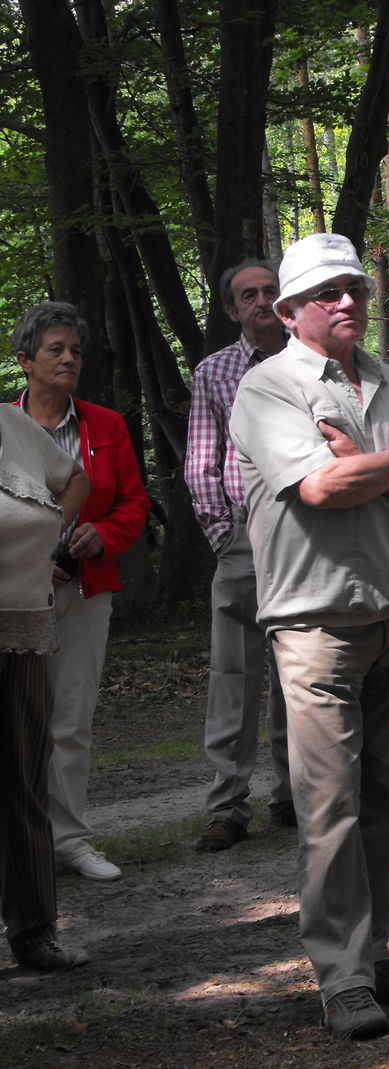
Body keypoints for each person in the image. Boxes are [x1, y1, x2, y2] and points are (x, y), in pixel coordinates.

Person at [228, 233, 389, 1040]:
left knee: (387, 796)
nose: (348, 302)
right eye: (327, 292)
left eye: (356, 287)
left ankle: (375, 954)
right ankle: (342, 979)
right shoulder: (269, 389)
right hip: (317, 624)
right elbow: (323, 486)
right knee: (328, 806)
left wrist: (378, 461)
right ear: (290, 311)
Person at [12, 302, 151, 883]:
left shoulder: (106, 426)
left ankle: (68, 840)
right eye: (55, 350)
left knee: (71, 717)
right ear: (25, 361)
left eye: (75, 350)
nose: (69, 359)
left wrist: (102, 536)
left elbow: (135, 504)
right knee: (15, 719)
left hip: (86, 590)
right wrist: (25, 559)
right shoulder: (2, 427)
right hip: (12, 595)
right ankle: (20, 844)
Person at [185, 259, 293, 852]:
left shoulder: (312, 362)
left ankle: (295, 795)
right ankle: (228, 806)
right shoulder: (215, 372)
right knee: (235, 674)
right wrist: (224, 533)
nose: (260, 301)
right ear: (231, 309)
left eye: (269, 291)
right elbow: (202, 462)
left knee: (300, 668)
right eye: (248, 295)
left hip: (307, 530)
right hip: (244, 536)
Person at [1, 404, 90, 970]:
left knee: (24, 782)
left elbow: (75, 477)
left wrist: (55, 534)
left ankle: (35, 933)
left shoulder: (12, 427)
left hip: (24, 628)